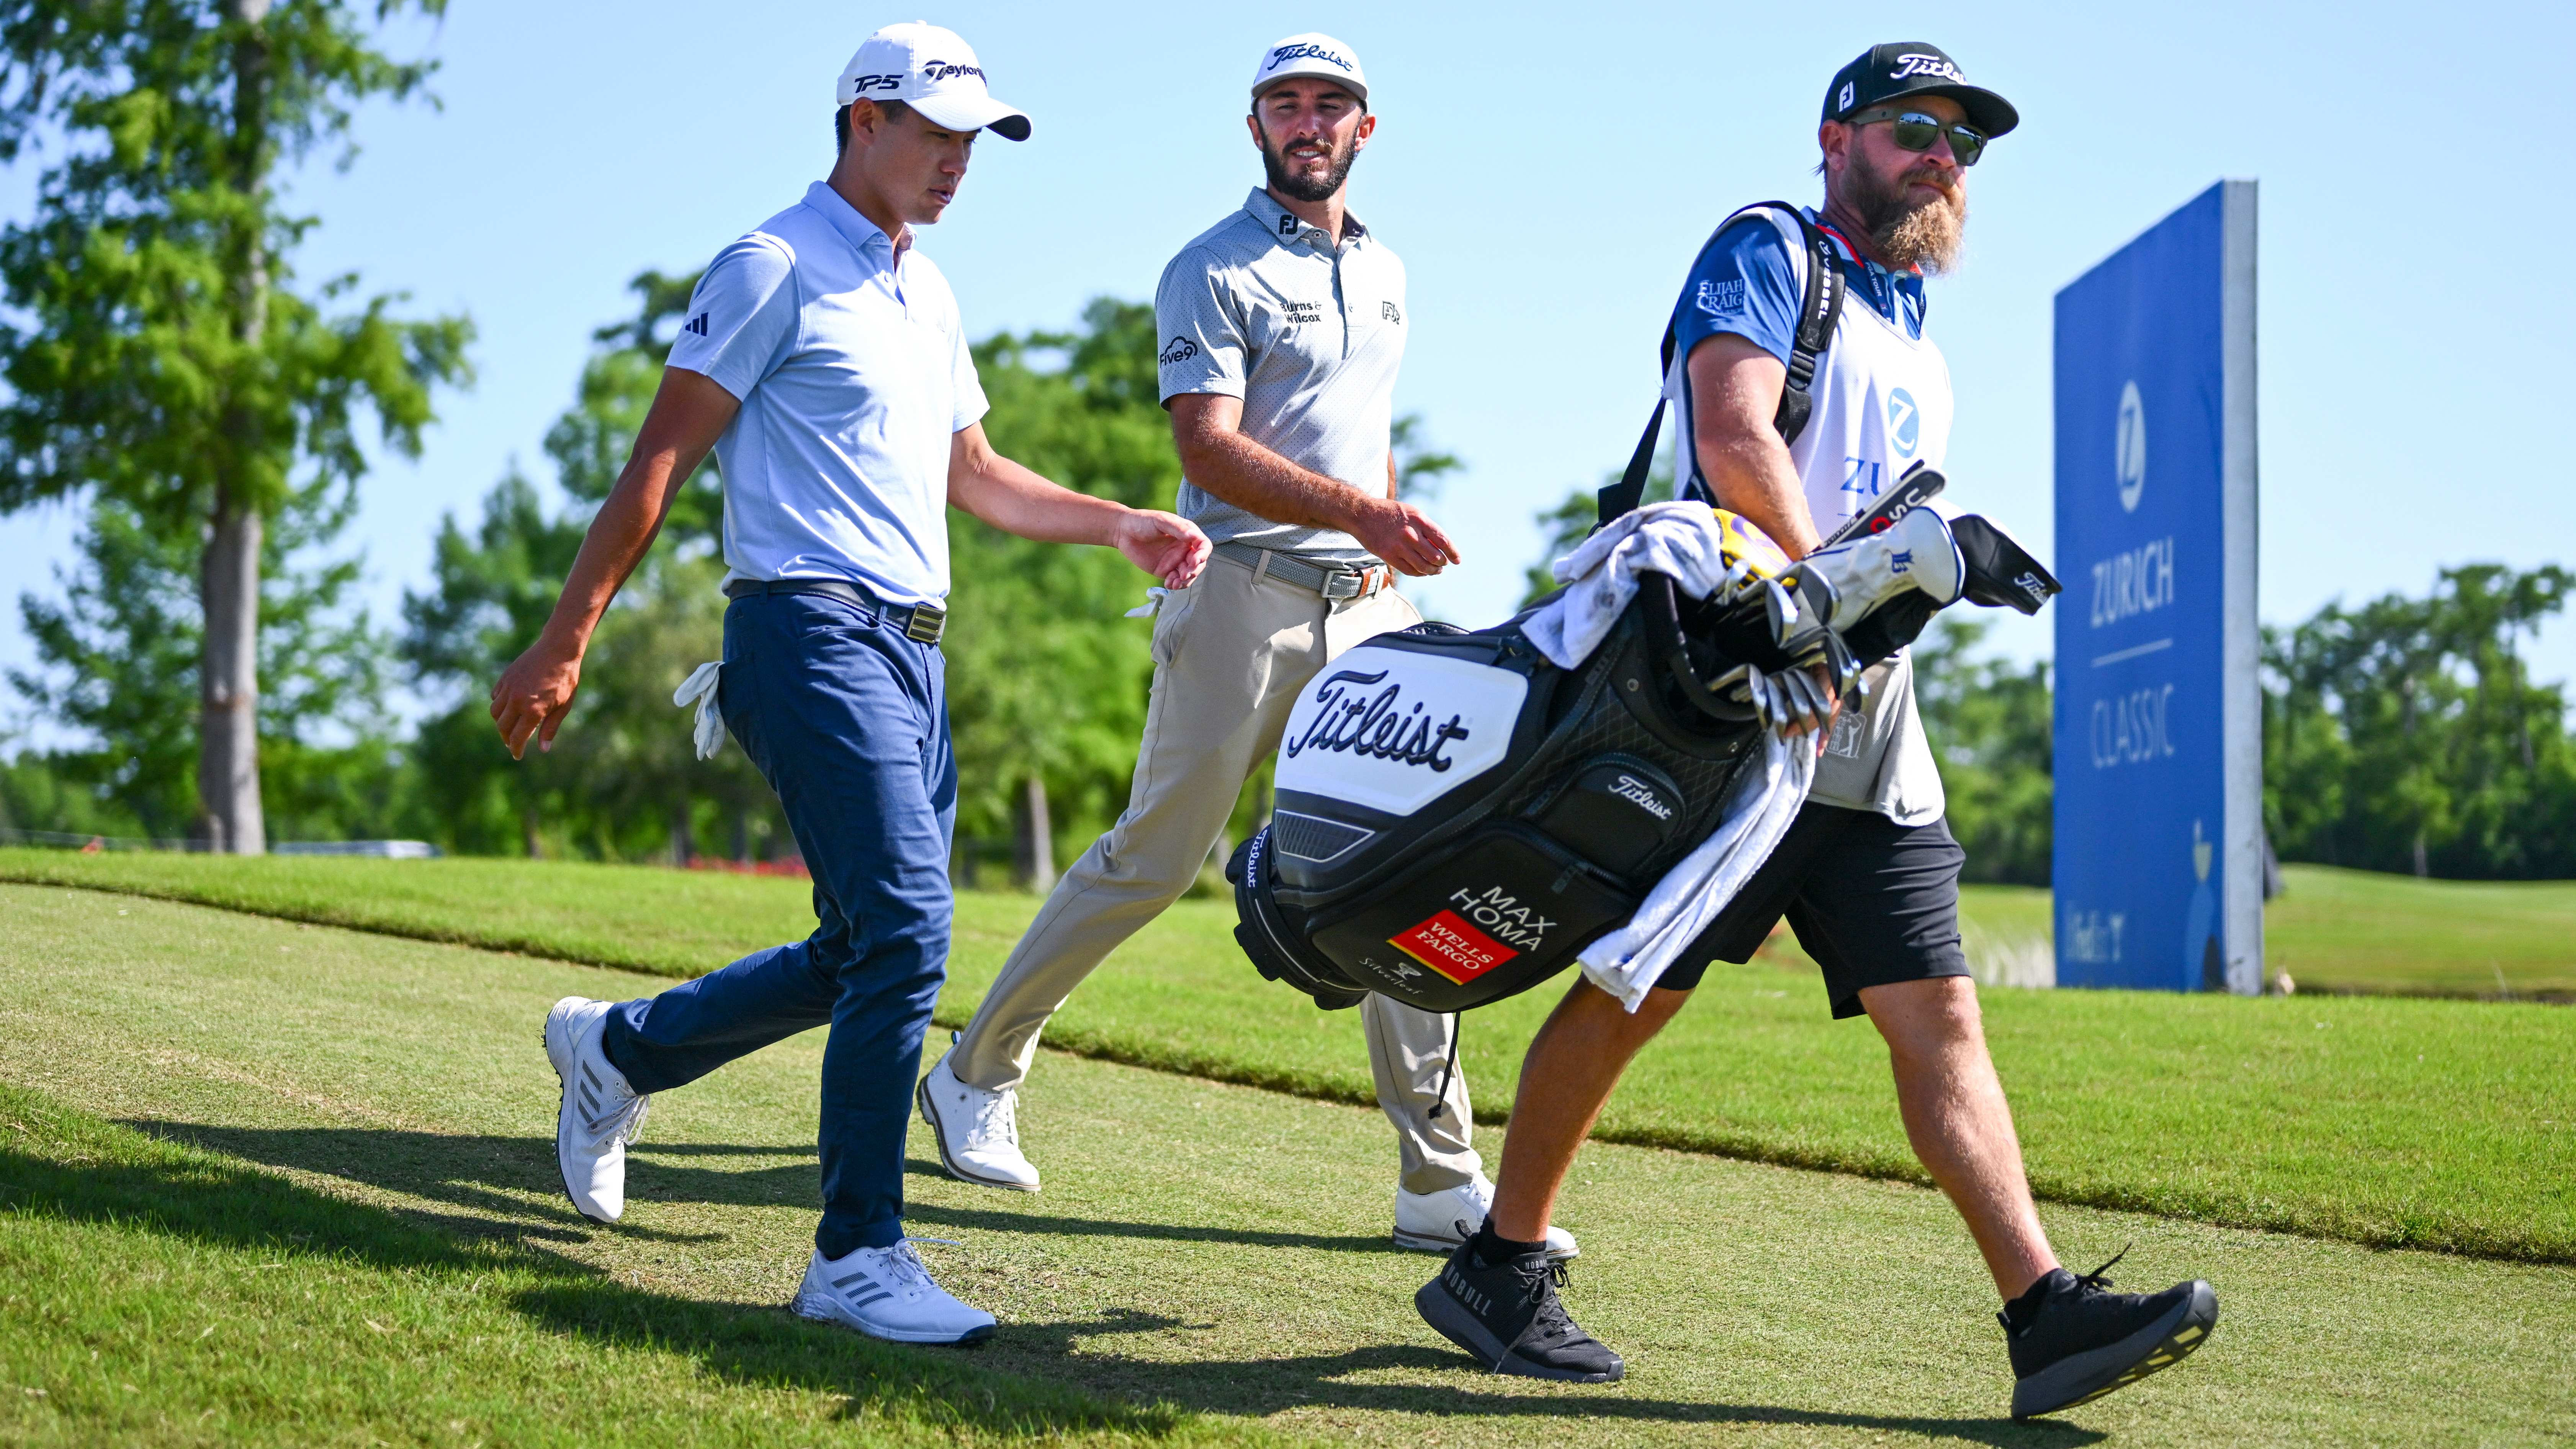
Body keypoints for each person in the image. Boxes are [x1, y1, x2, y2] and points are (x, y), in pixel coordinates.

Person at [1412, 43, 2218, 1420]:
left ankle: (2044, 1315)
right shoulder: (1773, 250)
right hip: (1734, 703)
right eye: (1916, 129)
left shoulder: (1916, 327)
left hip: (1862, 721)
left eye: (1964, 143)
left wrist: (1936, 560)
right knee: (1632, 989)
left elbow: (1867, 511)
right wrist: (1820, 603)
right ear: (1838, 135)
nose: (1943, 159)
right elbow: (1734, 437)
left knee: (1942, 1013)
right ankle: (1498, 1261)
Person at [493, 23, 1210, 1347]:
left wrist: (1121, 519)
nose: (958, 163)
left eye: (973, 142)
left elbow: (979, 477)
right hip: (805, 632)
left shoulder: (924, 291)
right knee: (909, 935)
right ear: (862, 121)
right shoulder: (770, 264)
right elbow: (658, 461)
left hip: (914, 650)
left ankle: (620, 1054)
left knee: (861, 947)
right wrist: (566, 635)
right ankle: (857, 1254)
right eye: (937, 134)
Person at [914, 32, 1576, 1262]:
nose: (1309, 122)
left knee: (1414, 868)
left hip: (1370, 609)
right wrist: (1366, 512)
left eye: (1332, 105)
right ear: (1256, 126)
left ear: (1365, 129)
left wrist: (1389, 541)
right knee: (1157, 858)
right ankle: (974, 1071)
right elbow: (1210, 450)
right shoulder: (1207, 269)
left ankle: (1439, 1179)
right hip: (1242, 598)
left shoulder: (1387, 272)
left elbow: (1357, 436)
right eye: (1286, 105)